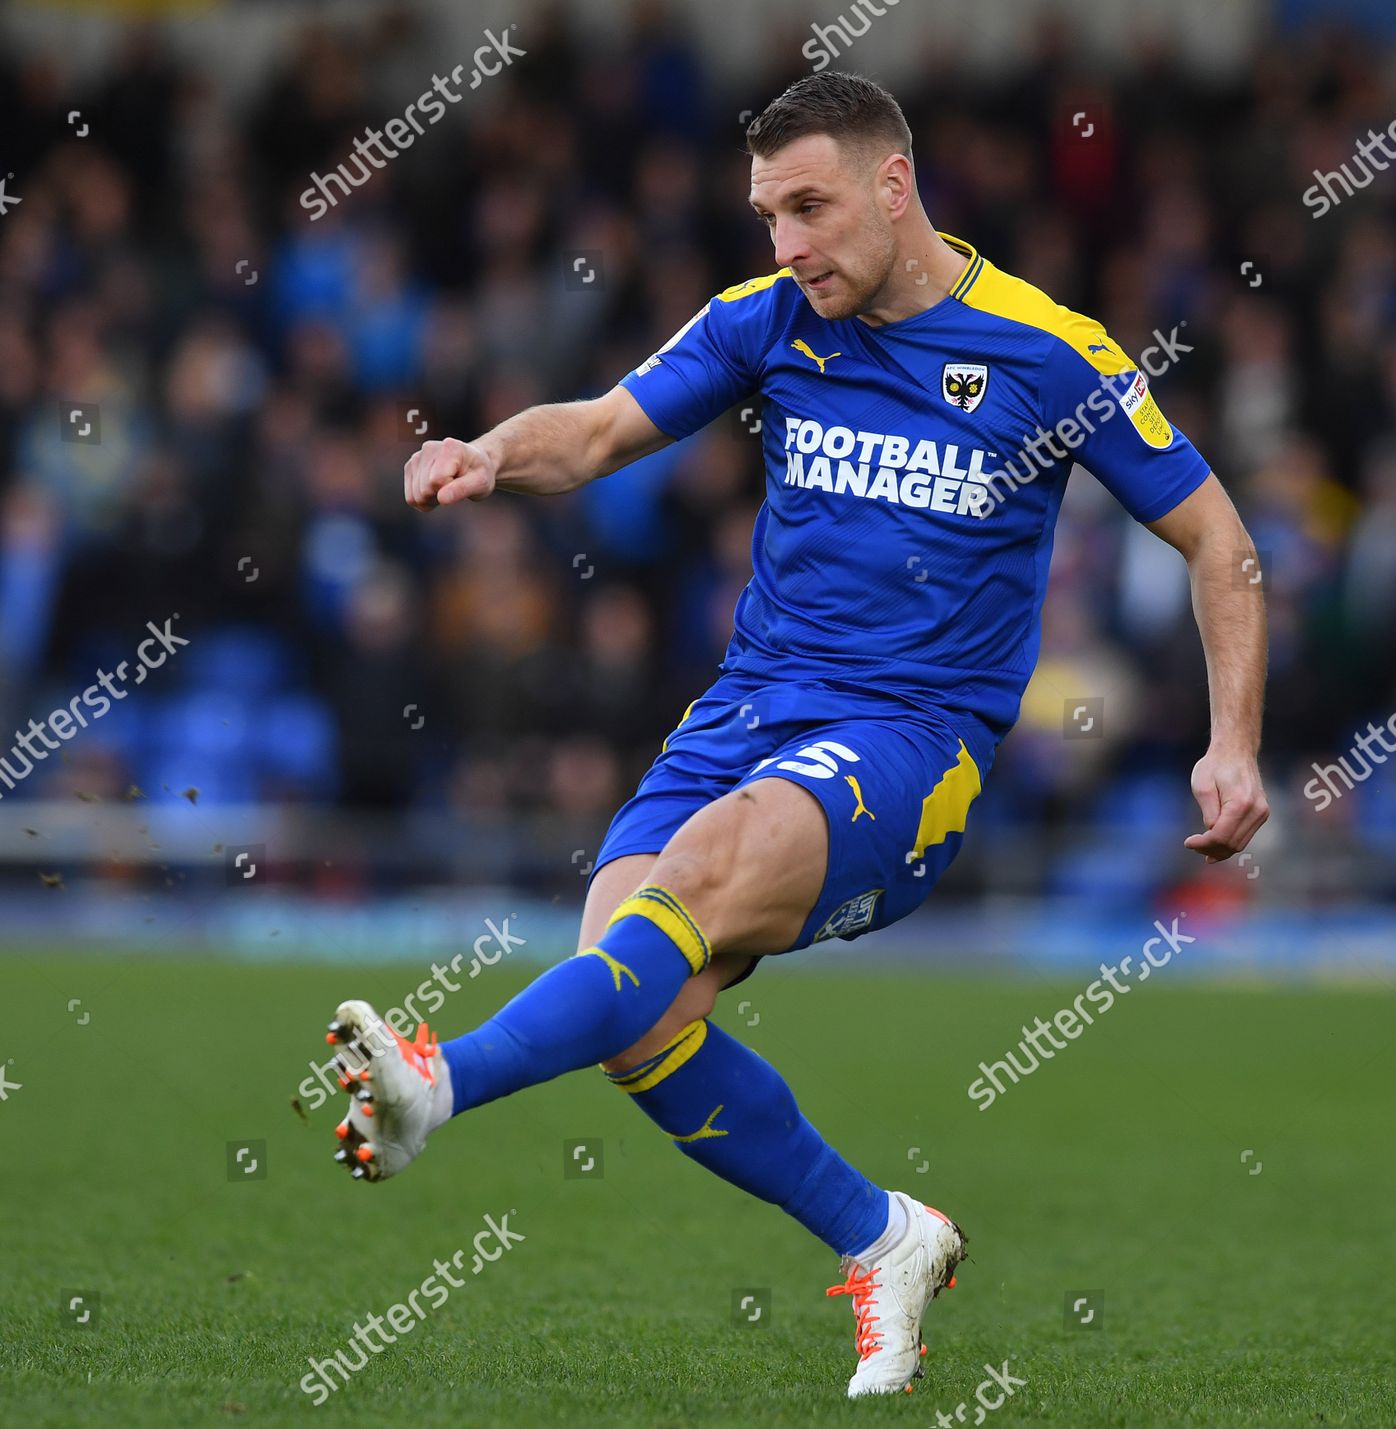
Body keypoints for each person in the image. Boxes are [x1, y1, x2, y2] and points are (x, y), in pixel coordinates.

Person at [323, 71, 1269, 1399]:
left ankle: (438, 1080)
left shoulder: (1052, 352)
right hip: (745, 712)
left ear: (896, 186)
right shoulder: (768, 321)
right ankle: (886, 1236)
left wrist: (1234, 740)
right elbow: (592, 432)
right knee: (634, 1005)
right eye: (770, 215)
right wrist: (488, 450)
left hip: (911, 742)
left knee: (698, 880)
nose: (789, 245)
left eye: (811, 208)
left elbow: (1218, 540)